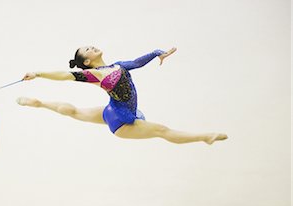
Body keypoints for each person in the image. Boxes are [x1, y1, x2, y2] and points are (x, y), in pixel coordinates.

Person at [17, 46, 227, 145]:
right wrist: (38, 73)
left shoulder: (118, 65)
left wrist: (156, 53)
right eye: (88, 50)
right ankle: (205, 137)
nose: (92, 47)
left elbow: (137, 63)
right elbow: (66, 75)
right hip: (122, 123)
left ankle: (39, 103)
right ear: (87, 62)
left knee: (75, 111)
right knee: (163, 131)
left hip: (112, 111)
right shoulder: (95, 74)